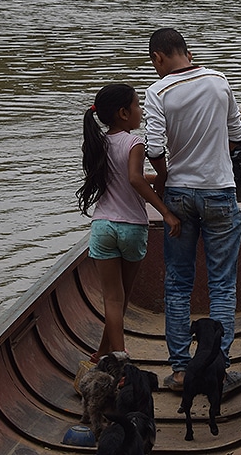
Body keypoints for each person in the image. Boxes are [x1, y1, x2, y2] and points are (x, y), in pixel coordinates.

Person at [143, 28, 241, 393]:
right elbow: (236, 135)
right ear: (187, 51)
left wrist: (167, 174)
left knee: (177, 284)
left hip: (179, 196)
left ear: (158, 58)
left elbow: (154, 147)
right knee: (222, 286)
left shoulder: (158, 92)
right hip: (220, 192)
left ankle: (182, 371)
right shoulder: (219, 81)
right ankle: (217, 369)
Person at [75, 83, 181, 377]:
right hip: (132, 226)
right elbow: (134, 179)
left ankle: (103, 352)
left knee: (112, 298)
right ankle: (120, 365)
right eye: (137, 105)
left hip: (103, 226)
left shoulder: (97, 143)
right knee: (121, 297)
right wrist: (166, 212)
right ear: (123, 113)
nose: (140, 111)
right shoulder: (135, 143)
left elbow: (121, 176)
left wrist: (152, 177)